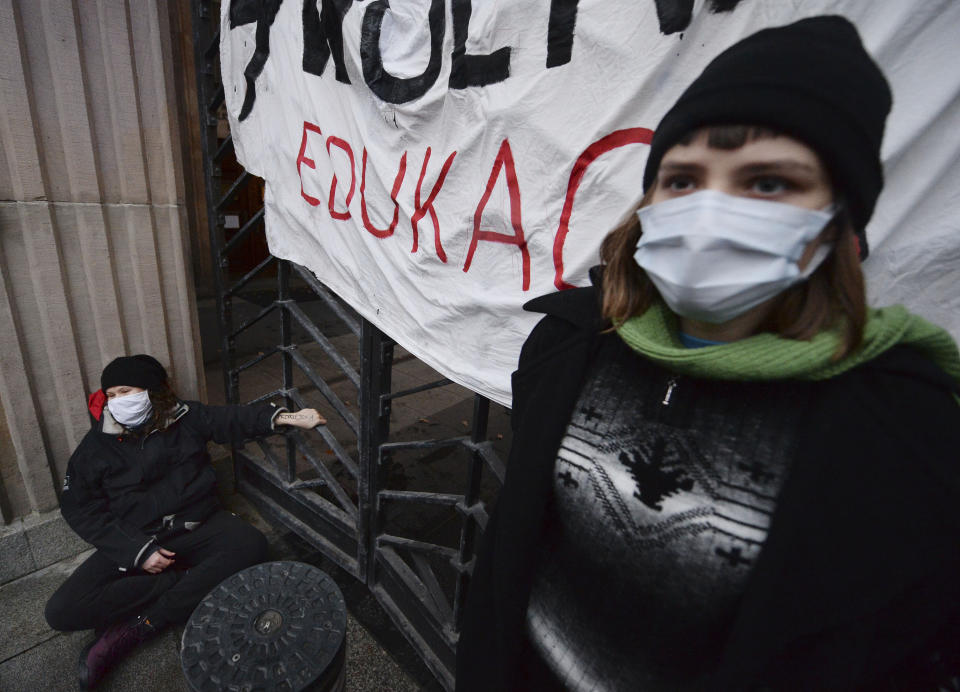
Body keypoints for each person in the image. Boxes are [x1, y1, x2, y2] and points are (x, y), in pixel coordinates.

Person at [456, 15, 960, 692]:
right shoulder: (571, 343)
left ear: (838, 227)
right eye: (684, 180)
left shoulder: (908, 430)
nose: (712, 211)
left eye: (769, 183)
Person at [44, 354, 325, 689]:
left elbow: (231, 419)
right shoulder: (96, 446)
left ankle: (139, 626)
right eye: (111, 395)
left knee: (251, 544)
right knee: (60, 611)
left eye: (125, 391)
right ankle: (182, 585)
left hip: (197, 526)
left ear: (151, 391)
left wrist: (287, 417)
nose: (118, 401)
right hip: (136, 540)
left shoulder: (186, 417)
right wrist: (137, 551)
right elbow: (79, 507)